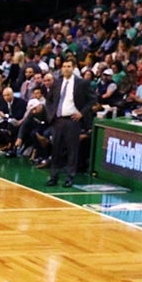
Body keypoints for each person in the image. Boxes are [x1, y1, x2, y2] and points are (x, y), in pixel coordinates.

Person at [45, 57, 96, 187]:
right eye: (64, 66)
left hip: (72, 121)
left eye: (69, 66)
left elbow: (92, 100)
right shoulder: (57, 83)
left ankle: (69, 177)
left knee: (72, 150)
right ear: (61, 68)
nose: (66, 69)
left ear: (73, 68)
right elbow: (49, 100)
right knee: (55, 149)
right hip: (59, 120)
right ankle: (53, 176)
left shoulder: (82, 83)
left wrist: (81, 113)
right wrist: (52, 114)